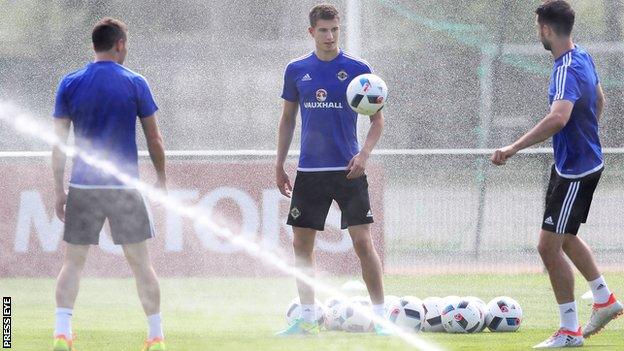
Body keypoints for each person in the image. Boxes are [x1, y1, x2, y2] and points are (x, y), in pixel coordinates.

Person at [491, 1, 622, 348]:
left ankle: (569, 331)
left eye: (538, 28)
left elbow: (558, 118)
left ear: (547, 29)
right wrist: (588, 132)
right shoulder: (584, 56)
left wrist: (513, 148)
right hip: (576, 164)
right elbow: (598, 100)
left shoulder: (565, 67)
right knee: (565, 237)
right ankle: (605, 299)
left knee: (548, 247)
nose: (538, 34)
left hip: (575, 170)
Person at [51, 17, 167, 351]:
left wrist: (60, 190)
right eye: (125, 45)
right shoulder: (135, 82)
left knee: (73, 263)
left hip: (84, 188)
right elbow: (155, 139)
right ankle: (156, 336)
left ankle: (62, 334)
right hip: (123, 188)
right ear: (119, 44)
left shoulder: (70, 83)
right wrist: (161, 180)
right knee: (141, 265)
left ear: (94, 46)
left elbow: (58, 144)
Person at [275, 4, 387, 336]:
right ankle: (308, 317)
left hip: (348, 170)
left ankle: (380, 318)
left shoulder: (358, 69)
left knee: (363, 243)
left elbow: (377, 119)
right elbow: (287, 119)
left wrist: (364, 154)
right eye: (323, 30)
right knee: (301, 244)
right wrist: (278, 162)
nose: (330, 36)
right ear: (312, 32)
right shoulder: (296, 70)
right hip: (310, 170)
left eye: (335, 29)